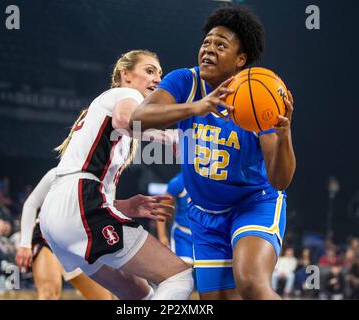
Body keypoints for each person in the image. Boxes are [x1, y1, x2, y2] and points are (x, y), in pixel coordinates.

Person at [130, 6, 296, 300]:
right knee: (215, 299)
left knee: (250, 283)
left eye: (221, 45)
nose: (209, 49)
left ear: (240, 59)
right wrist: (198, 106)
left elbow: (280, 180)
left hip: (253, 203)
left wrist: (284, 136)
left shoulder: (259, 95)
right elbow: (138, 119)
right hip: (205, 213)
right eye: (206, 42)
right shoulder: (185, 82)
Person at [39, 50, 194, 300]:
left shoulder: (105, 112)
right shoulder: (125, 94)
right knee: (178, 276)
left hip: (58, 214)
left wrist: (127, 206)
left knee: (139, 295)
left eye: (160, 74)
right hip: (77, 203)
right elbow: (125, 120)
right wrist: (170, 138)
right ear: (126, 75)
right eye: (149, 70)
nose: (157, 79)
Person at [15, 168, 113, 300]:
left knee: (103, 298)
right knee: (48, 294)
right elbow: (31, 203)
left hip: (78, 244)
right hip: (48, 239)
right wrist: (25, 244)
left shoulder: (105, 181)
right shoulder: (58, 173)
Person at [156, 172, 193, 266]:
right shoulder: (180, 181)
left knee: (205, 275)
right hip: (183, 235)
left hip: (206, 235)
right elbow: (162, 208)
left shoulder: (213, 180)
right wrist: (162, 236)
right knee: (185, 272)